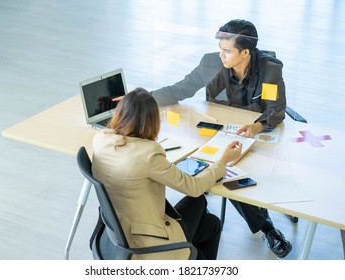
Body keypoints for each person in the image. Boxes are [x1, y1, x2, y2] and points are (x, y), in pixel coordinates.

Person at [152, 19, 292, 258]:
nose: (221, 55)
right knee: (224, 169)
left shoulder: (270, 69)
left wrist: (256, 126)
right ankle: (265, 224)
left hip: (255, 135)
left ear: (246, 52)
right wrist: (140, 101)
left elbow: (277, 109)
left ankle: (267, 226)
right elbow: (180, 89)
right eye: (220, 48)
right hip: (217, 132)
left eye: (227, 51)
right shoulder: (211, 63)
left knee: (227, 171)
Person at [91, 87, 242, 260]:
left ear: (121, 113)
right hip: (145, 242)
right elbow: (194, 187)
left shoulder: (100, 139)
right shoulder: (149, 153)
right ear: (152, 120)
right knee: (204, 209)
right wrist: (223, 161)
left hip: (118, 233)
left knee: (210, 222)